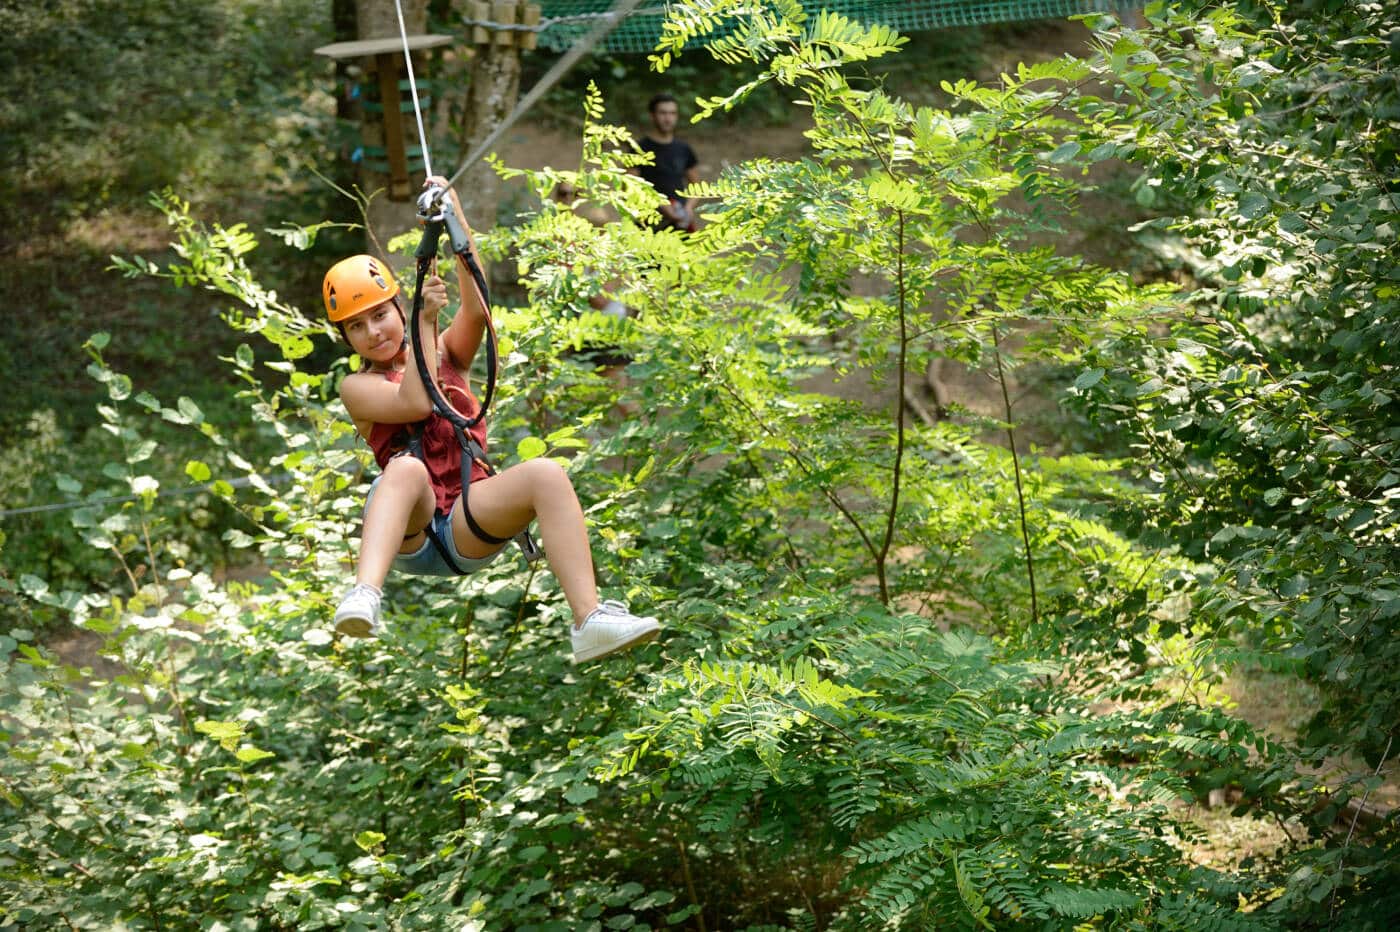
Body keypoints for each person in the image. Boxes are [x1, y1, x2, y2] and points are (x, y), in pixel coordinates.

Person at [323, 177, 660, 663]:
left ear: (397, 304)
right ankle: (364, 595)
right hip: (413, 527)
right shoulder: (358, 388)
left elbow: (478, 309)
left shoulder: (446, 354)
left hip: (466, 518)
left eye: (380, 315)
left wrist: (455, 220)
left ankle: (588, 619)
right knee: (407, 467)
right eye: (357, 326)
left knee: (547, 473)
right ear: (347, 338)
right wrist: (422, 323)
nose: (373, 332)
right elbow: (414, 403)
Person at [634, 93, 700, 232]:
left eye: (672, 113)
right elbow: (629, 187)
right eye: (663, 113)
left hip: (680, 222)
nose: (668, 118)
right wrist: (660, 205)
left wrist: (688, 208)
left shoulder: (683, 149)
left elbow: (697, 187)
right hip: (649, 224)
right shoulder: (639, 149)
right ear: (652, 115)